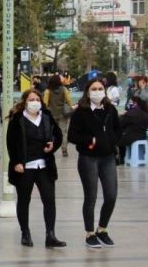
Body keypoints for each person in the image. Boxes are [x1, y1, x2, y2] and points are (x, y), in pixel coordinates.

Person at [6, 89, 66, 248]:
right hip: (25, 166)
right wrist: (16, 162)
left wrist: (53, 144)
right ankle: (25, 232)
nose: (35, 102)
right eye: (31, 99)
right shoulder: (17, 118)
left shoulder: (46, 116)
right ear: (25, 101)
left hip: (44, 165)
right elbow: (11, 142)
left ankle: (50, 235)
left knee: (49, 200)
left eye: (37, 99)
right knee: (24, 200)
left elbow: (58, 135)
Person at [68, 78, 121, 248]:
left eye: (100, 88)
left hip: (107, 157)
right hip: (88, 158)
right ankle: (90, 233)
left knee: (111, 195)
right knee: (90, 196)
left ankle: (102, 229)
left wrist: (111, 141)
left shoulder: (110, 109)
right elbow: (72, 136)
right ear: (88, 91)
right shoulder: (80, 112)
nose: (97, 91)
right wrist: (89, 140)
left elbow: (118, 130)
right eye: (94, 88)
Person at [43, 74, 73, 157]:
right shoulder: (64, 89)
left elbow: (45, 103)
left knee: (50, 132)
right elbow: (68, 101)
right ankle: (64, 150)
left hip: (51, 115)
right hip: (63, 114)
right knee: (63, 132)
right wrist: (70, 108)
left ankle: (50, 148)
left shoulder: (48, 91)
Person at [118, 96, 148, 164]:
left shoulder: (131, 113)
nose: (129, 103)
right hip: (142, 136)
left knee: (117, 138)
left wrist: (122, 116)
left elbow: (121, 123)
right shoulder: (145, 113)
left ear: (135, 103)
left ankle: (121, 159)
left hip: (130, 136)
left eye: (130, 102)